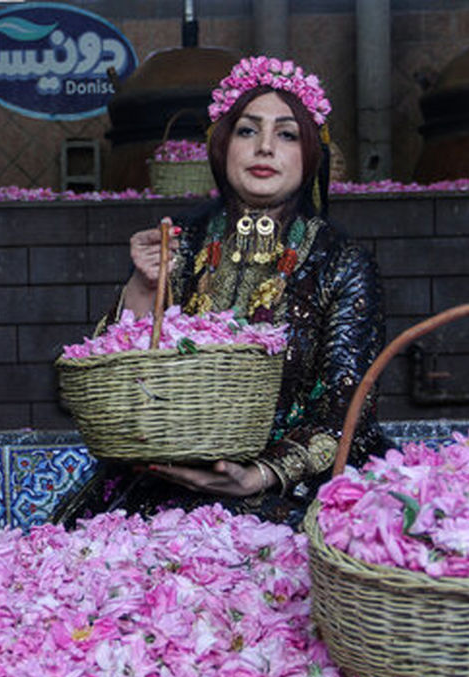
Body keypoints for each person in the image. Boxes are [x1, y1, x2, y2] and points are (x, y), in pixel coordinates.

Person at [52, 56, 388, 528]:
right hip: (168, 475)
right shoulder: (182, 246)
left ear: (310, 154)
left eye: (287, 134)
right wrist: (144, 286)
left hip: (290, 484)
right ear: (222, 146)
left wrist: (259, 475)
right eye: (248, 131)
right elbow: (121, 383)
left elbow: (351, 405)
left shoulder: (341, 262)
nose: (265, 147)